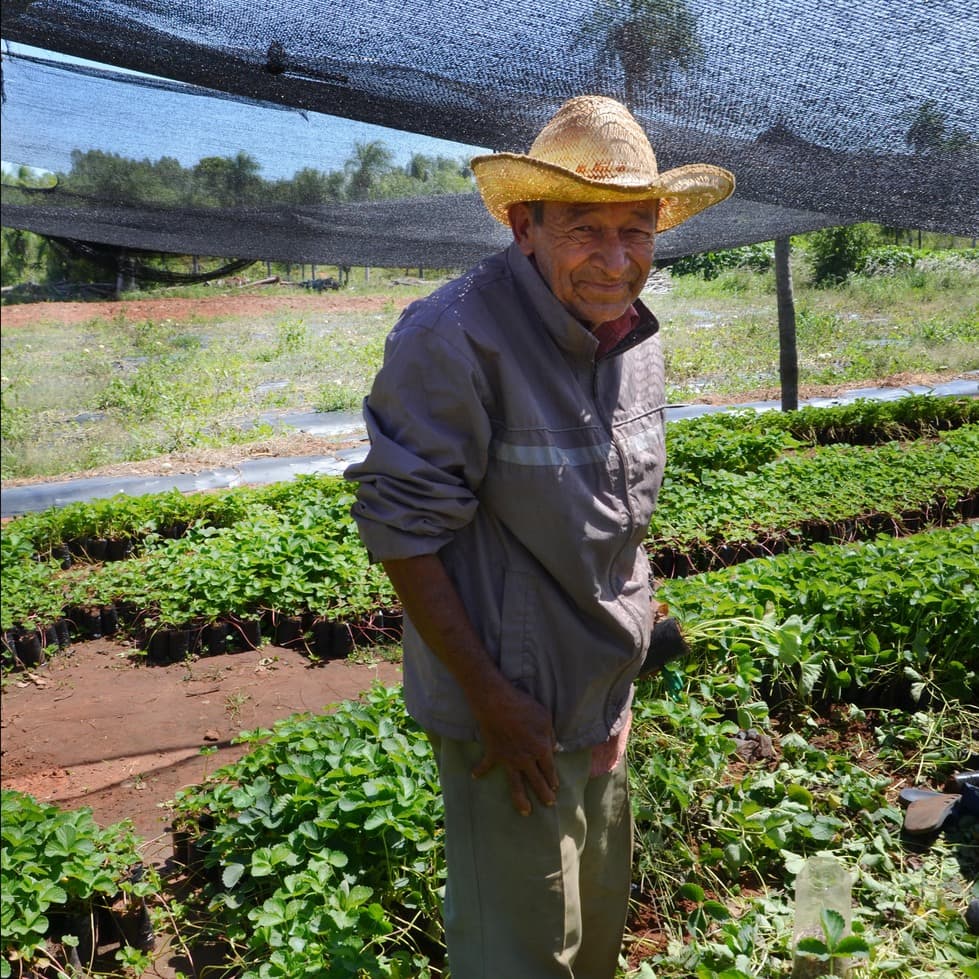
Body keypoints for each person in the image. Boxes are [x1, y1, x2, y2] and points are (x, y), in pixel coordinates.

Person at [345, 95, 734, 979]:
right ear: (524, 225)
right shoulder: (454, 338)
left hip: (602, 693)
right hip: (509, 713)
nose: (614, 259)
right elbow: (401, 532)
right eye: (583, 231)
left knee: (593, 937)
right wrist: (491, 700)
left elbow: (619, 515)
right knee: (520, 953)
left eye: (635, 230)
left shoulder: (634, 340)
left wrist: (628, 658)